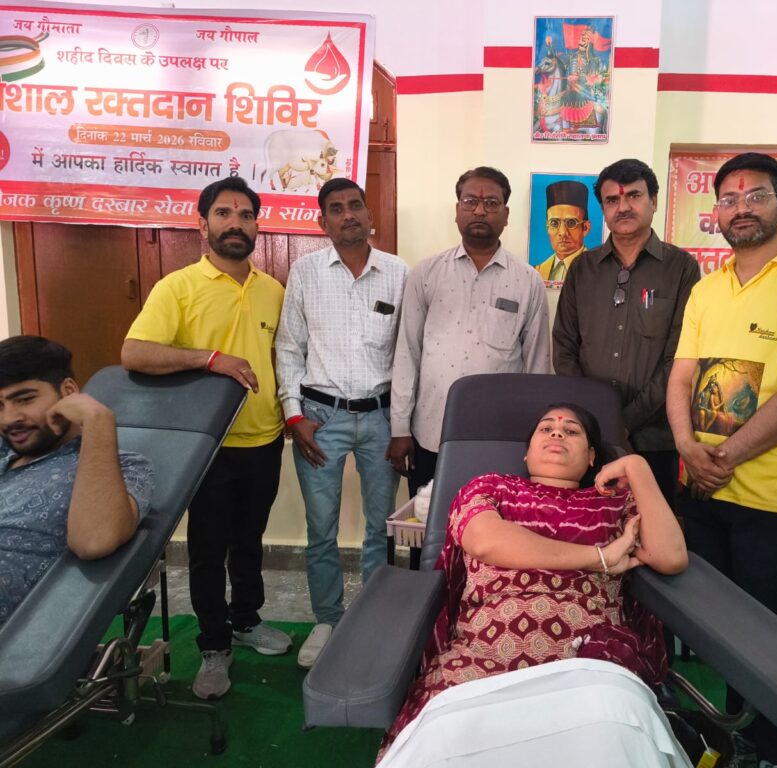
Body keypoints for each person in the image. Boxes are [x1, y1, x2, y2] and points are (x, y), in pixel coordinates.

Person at [666, 152, 777, 768]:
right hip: (703, 491)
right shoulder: (708, 287)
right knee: (717, 630)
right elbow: (682, 377)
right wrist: (687, 447)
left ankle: (773, 754)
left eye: (755, 195)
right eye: (728, 198)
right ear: (715, 211)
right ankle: (731, 741)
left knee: (765, 635)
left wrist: (722, 456)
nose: (740, 208)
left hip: (771, 500)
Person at [378, 403, 688, 760]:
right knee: (444, 746)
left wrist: (637, 467)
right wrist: (600, 557)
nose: (557, 432)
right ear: (526, 453)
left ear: (592, 457)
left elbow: (670, 557)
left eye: (572, 431)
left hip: (589, 670)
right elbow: (485, 540)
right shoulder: (491, 487)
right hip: (481, 665)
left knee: (611, 743)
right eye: (546, 428)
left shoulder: (612, 503)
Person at [121, 177, 290, 700]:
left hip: (265, 439)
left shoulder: (273, 289)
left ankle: (246, 620)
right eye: (223, 213)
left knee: (249, 540)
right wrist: (209, 359)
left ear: (257, 226)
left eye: (246, 215)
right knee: (207, 549)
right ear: (203, 224)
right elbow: (134, 353)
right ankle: (214, 646)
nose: (235, 223)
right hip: (205, 446)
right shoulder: (177, 287)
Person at [275, 177, 408, 669]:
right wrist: (293, 415)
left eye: (355, 206)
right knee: (321, 529)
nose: (348, 214)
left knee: (380, 527)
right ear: (322, 221)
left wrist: (403, 423)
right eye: (336, 208)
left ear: (370, 214)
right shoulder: (305, 273)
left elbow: (408, 354)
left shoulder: (399, 273)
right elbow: (289, 348)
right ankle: (327, 620)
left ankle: (370, 621)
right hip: (319, 418)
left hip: (380, 418)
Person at [388, 167, 551, 495]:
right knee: (429, 520)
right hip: (431, 432)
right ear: (457, 210)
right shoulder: (427, 273)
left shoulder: (528, 280)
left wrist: (535, 435)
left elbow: (538, 365)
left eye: (491, 203)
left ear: (506, 214)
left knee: (494, 522)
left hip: (501, 435)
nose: (479, 210)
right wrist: (400, 428)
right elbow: (407, 353)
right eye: (470, 201)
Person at [553, 158, 701, 505]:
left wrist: (624, 420)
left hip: (654, 438)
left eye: (634, 196)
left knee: (652, 528)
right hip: (589, 438)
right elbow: (564, 347)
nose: (623, 207)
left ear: (654, 201)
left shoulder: (681, 268)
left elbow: (680, 356)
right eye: (612, 200)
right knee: (589, 525)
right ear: (603, 209)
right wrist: (597, 417)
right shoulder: (583, 268)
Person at [0, 335, 153, 627]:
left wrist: (97, 419)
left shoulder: (126, 467)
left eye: (25, 399)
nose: (9, 419)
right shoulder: (5, 452)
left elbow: (94, 541)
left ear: (68, 391)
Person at [534, 179, 591, 283]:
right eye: (554, 223)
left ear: (585, 228)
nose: (563, 232)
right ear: (547, 228)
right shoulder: (537, 271)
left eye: (571, 223)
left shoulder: (596, 269)